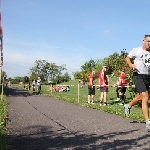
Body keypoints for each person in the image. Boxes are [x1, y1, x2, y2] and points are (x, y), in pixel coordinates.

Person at [124, 35, 150, 132]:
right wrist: (130, 64)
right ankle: (148, 122)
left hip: (148, 76)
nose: (149, 43)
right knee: (145, 96)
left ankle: (128, 105)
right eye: (148, 41)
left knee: (141, 97)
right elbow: (127, 58)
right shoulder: (137, 50)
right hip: (138, 75)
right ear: (143, 41)